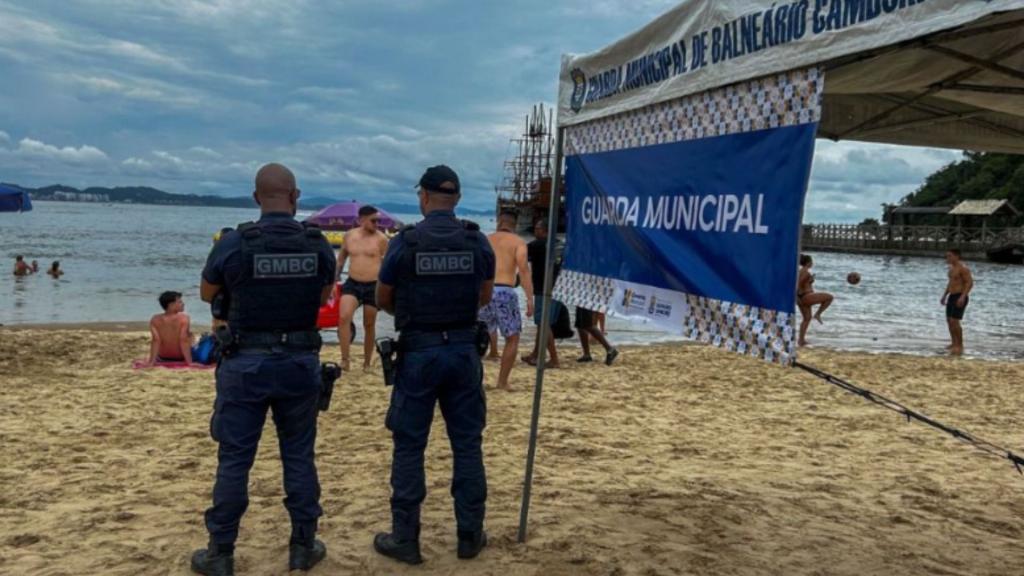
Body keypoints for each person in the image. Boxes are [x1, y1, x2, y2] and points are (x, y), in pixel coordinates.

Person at [191, 163, 337, 576]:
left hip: (246, 362)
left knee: (235, 459)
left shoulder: (235, 242)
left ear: (256, 197)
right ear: (295, 196)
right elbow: (323, 295)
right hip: (298, 362)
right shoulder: (317, 244)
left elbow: (207, 293)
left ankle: (221, 552)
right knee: (299, 456)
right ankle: (302, 547)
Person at [372, 165, 494, 565]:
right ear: (456, 199)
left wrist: (414, 315)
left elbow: (383, 297)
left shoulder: (406, 242)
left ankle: (405, 538)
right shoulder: (476, 240)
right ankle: (470, 535)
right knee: (467, 444)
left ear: (423, 197)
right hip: (461, 349)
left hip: (419, 351)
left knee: (409, 445)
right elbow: (484, 295)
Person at [478, 210, 533, 390]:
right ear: (514, 225)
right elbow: (523, 271)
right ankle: (502, 381)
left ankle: (474, 379)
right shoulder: (518, 242)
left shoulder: (485, 240)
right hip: (505, 291)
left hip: (484, 290)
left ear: (499, 222)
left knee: (477, 336)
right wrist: (529, 299)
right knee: (512, 338)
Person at [337, 205, 389, 372]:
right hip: (352, 282)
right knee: (343, 317)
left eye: (378, 220)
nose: (377, 224)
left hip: (373, 285)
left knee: (369, 323)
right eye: (373, 220)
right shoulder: (349, 236)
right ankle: (345, 360)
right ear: (361, 220)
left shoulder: (381, 239)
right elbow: (341, 259)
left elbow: (388, 264)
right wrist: (335, 278)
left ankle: (367, 362)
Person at [522, 218, 560, 368]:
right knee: (543, 323)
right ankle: (535, 354)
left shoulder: (537, 245)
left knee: (543, 324)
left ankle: (554, 359)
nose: (535, 230)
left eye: (537, 228)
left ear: (544, 230)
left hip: (543, 289)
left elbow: (519, 255)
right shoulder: (559, 244)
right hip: (557, 288)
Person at [796, 254, 833, 347]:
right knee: (829, 297)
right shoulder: (805, 272)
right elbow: (798, 285)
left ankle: (801, 341)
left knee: (807, 319)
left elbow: (802, 284)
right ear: (808, 262)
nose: (812, 263)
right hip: (806, 296)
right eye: (812, 261)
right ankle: (818, 314)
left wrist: (810, 281)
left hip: (802, 297)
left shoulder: (801, 271)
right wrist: (797, 296)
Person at [147, 291, 194, 365]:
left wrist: (151, 362)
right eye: (180, 302)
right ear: (171, 305)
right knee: (191, 335)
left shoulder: (155, 319)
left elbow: (156, 340)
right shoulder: (184, 318)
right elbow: (183, 340)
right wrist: (189, 362)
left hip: (163, 357)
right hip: (180, 357)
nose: (183, 303)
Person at [941, 249, 973, 355]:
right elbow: (950, 283)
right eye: (947, 256)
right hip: (952, 296)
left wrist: (963, 296)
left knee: (955, 321)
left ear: (957, 256)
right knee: (949, 321)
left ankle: (960, 345)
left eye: (949, 256)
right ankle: (953, 343)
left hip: (960, 296)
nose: (947, 258)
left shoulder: (963, 268)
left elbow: (969, 283)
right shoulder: (951, 269)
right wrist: (944, 295)